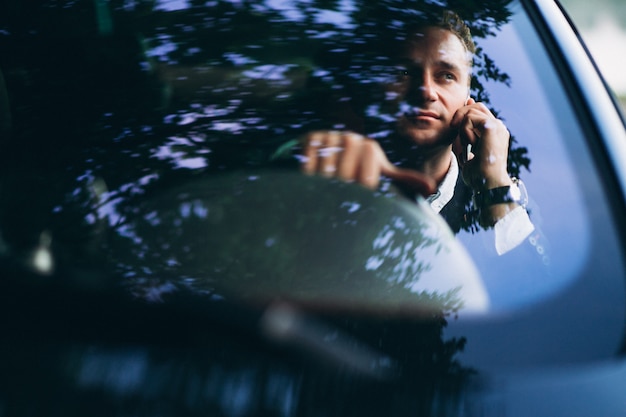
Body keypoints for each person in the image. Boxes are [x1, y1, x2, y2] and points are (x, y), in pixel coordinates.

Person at [299, 11, 534, 255]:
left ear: (468, 103)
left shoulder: (495, 197)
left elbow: (537, 281)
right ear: (375, 92)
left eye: (446, 76)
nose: (425, 91)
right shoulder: (326, 176)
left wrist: (494, 185)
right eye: (404, 73)